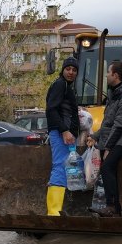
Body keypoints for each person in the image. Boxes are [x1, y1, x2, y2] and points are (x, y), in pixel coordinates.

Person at [86, 60, 122, 217]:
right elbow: (107, 124)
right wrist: (94, 136)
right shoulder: (114, 94)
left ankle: (112, 207)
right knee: (108, 169)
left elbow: (120, 126)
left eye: (108, 72)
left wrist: (108, 148)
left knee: (107, 167)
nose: (106, 75)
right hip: (110, 138)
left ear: (116, 75)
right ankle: (114, 207)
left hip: (120, 140)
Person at [45, 56, 80, 216]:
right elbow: (51, 110)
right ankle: (53, 212)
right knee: (60, 166)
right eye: (68, 69)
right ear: (63, 70)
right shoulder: (60, 85)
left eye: (74, 70)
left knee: (64, 167)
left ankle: (57, 209)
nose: (71, 72)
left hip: (65, 133)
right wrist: (65, 130)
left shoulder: (67, 86)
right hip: (60, 133)